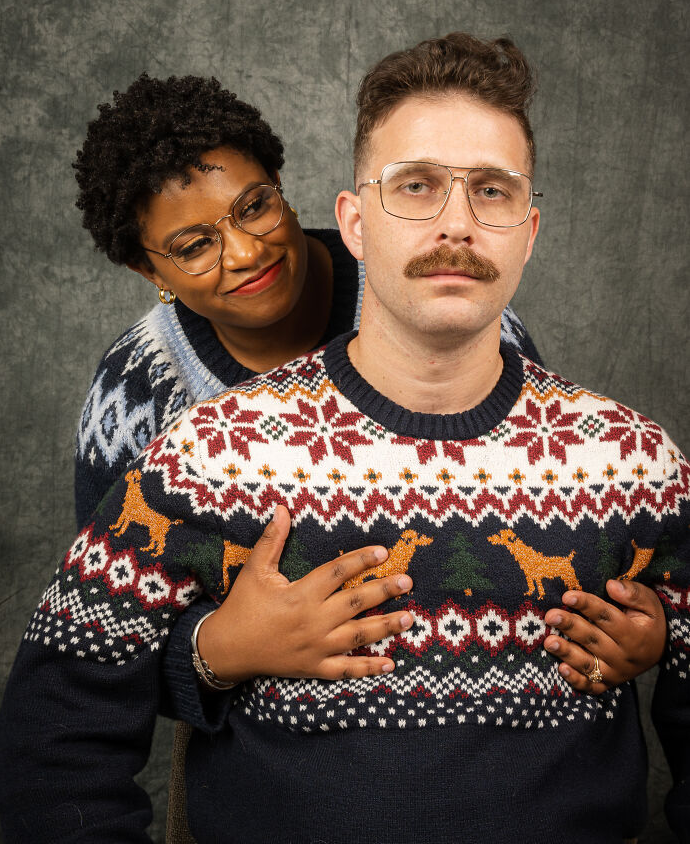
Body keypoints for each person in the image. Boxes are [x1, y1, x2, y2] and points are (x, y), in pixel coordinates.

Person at [0, 33, 687, 844]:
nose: (456, 225)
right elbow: (64, 710)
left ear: (530, 229)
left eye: (491, 191)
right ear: (357, 220)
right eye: (417, 188)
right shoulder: (196, 440)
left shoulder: (627, 456)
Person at [72, 72, 663, 703]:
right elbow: (112, 636)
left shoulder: (441, 294)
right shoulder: (135, 391)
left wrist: (625, 635)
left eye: (254, 208)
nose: (245, 252)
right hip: (260, 722)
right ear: (148, 269)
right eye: (194, 245)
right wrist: (220, 649)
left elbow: (541, 491)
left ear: (284, 190)